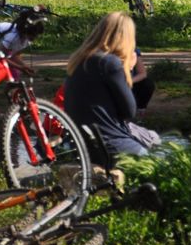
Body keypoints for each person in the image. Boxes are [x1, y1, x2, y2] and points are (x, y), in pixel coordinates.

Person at [63, 12, 151, 157]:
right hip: (109, 143)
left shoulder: (78, 60)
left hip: (78, 143)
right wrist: (128, 70)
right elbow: (130, 111)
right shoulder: (110, 63)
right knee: (157, 163)